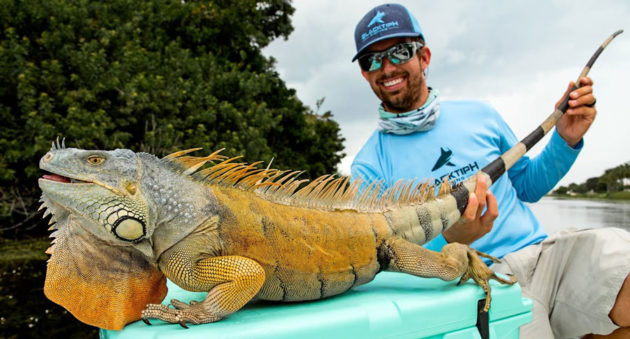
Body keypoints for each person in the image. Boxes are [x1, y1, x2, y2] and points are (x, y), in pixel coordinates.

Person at [349, 3, 630, 338]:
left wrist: (565, 139)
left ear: (424, 57)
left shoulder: (481, 115)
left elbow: (527, 186)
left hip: (543, 256)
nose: (386, 67)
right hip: (474, 282)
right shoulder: (368, 166)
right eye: (372, 60)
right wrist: (451, 240)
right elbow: (383, 256)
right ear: (365, 74)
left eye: (399, 52)